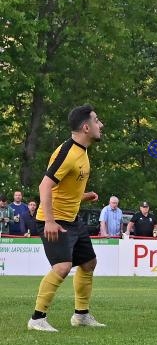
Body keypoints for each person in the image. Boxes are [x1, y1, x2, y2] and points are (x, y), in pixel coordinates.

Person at [27, 104, 105, 332]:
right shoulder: (68, 153)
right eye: (97, 120)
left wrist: (82, 196)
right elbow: (45, 186)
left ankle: (81, 315)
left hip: (72, 218)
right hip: (53, 220)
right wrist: (50, 221)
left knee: (89, 263)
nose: (101, 124)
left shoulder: (82, 151)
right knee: (62, 267)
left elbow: (64, 189)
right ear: (86, 127)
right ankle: (37, 319)